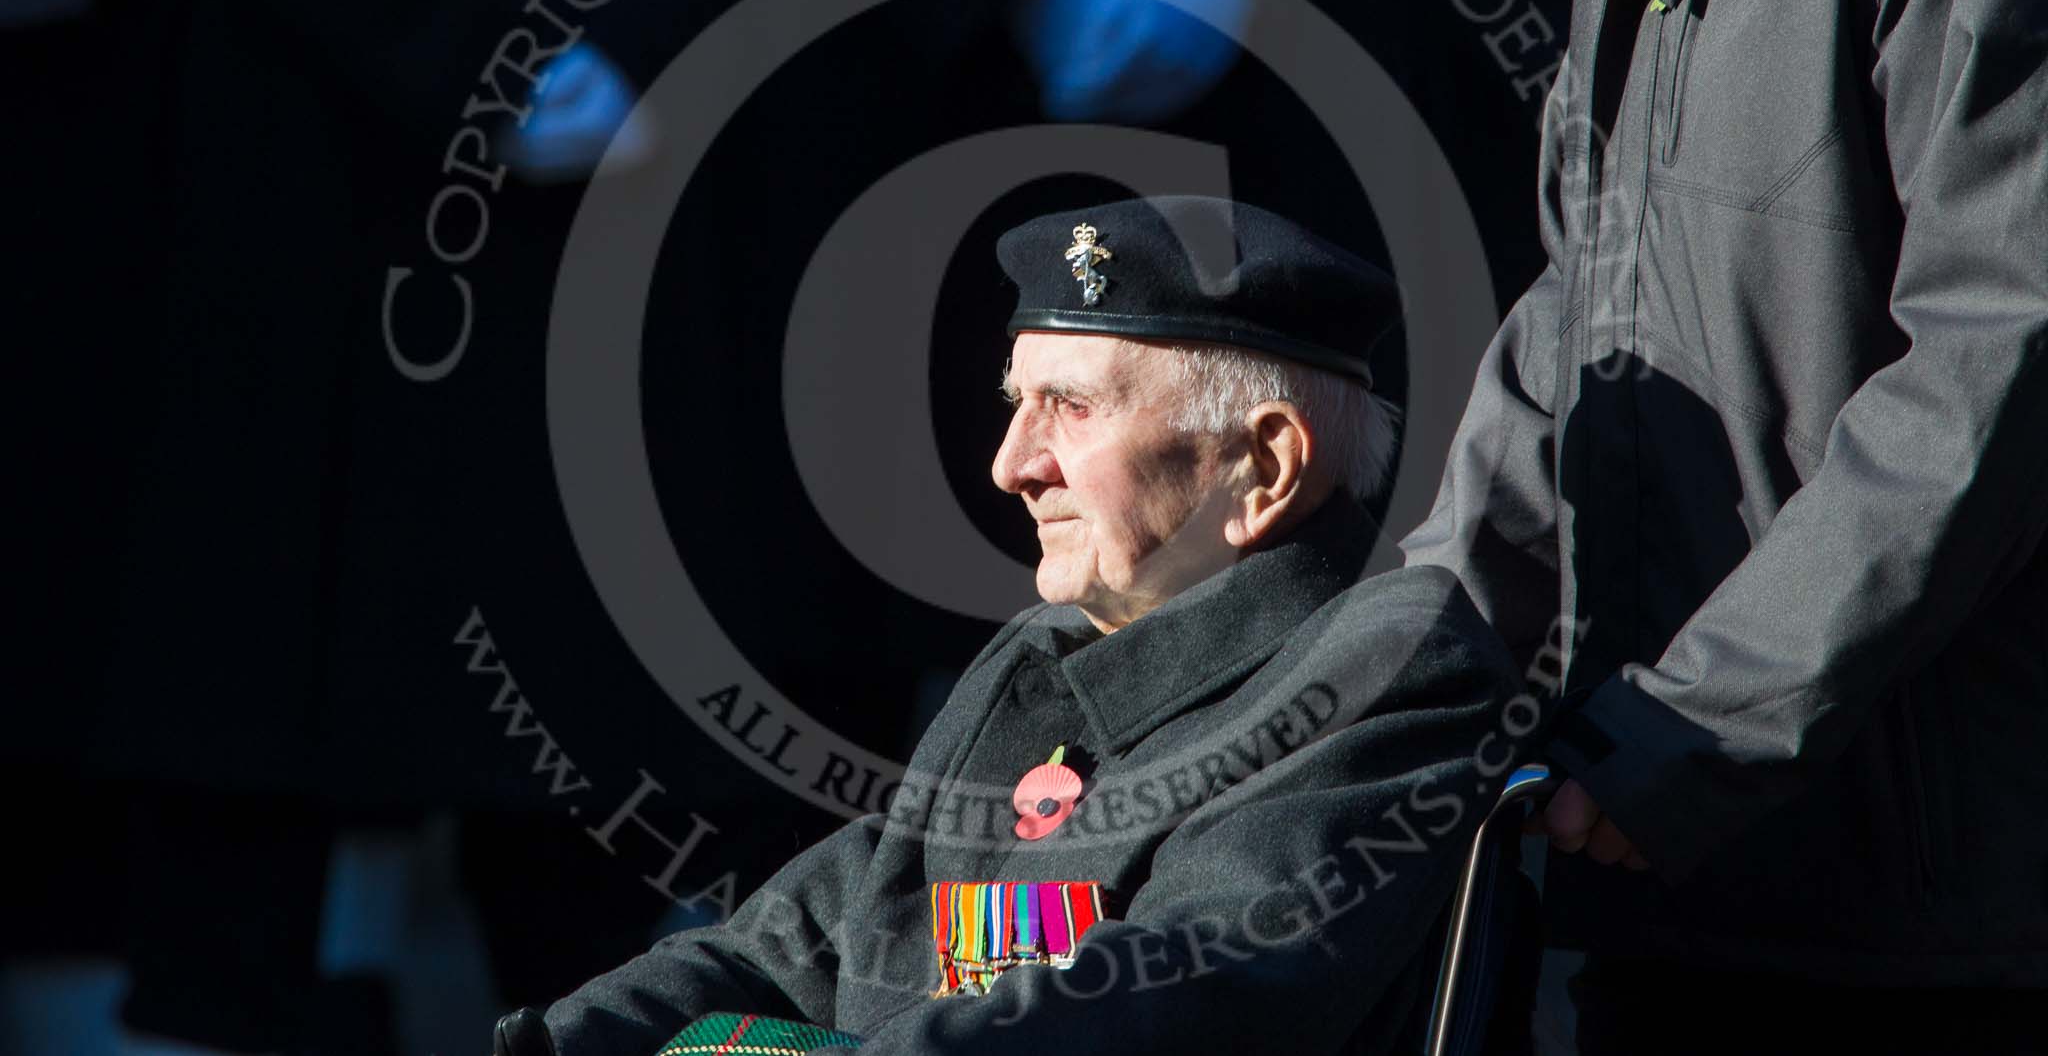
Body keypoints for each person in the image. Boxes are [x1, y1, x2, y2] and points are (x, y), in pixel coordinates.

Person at [1402, 0, 2047, 1048]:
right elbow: (1595, 295)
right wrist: (1394, 676)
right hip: (1675, 864)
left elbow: (2004, 347)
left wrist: (1703, 724)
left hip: (1916, 913)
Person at [507, 196, 1523, 1055]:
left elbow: (1172, 998)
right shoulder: (1051, 658)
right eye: (1016, 403)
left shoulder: (1385, 672)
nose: (1010, 463)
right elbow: (814, 939)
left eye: (1069, 407)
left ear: (1261, 465)